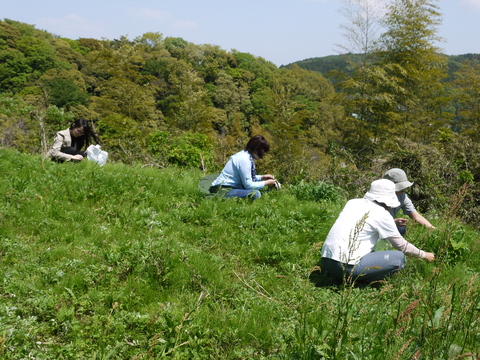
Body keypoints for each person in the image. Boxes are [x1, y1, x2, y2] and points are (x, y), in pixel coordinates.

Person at [320, 179, 435, 283]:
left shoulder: (352, 202)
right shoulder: (382, 214)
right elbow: (401, 246)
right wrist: (424, 255)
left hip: (326, 260)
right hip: (348, 267)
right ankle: (362, 282)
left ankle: (339, 278)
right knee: (399, 257)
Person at [210, 135, 277, 200]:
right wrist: (266, 183)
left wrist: (262, 177)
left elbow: (246, 177)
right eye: (263, 151)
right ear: (256, 149)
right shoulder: (245, 160)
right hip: (223, 190)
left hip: (226, 187)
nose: (263, 154)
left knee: (253, 192)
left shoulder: (245, 156)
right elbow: (248, 185)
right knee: (255, 193)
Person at [383, 168, 436, 234]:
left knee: (401, 230)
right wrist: (393, 222)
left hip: (387, 226)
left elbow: (416, 216)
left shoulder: (402, 197)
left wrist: (433, 230)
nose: (404, 189)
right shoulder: (375, 197)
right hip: (373, 228)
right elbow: (371, 220)